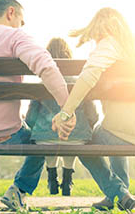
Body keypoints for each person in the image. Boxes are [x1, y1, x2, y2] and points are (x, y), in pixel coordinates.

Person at [0, 0, 69, 212]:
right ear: (11, 13)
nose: (21, 26)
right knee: (44, 140)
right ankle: (18, 191)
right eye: (21, 20)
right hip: (5, 132)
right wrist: (66, 108)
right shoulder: (15, 36)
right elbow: (46, 66)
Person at [52, 7, 135, 211]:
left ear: (100, 30)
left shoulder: (109, 44)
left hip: (127, 131)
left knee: (84, 143)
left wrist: (66, 111)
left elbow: (89, 74)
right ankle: (119, 193)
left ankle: (118, 192)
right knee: (110, 128)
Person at [24, 37, 98, 196]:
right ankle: (67, 179)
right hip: (77, 138)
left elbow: (30, 118)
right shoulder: (80, 83)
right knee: (72, 138)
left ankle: (51, 176)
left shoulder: (42, 83)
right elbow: (93, 115)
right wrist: (85, 127)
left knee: (48, 139)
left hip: (45, 138)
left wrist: (35, 127)